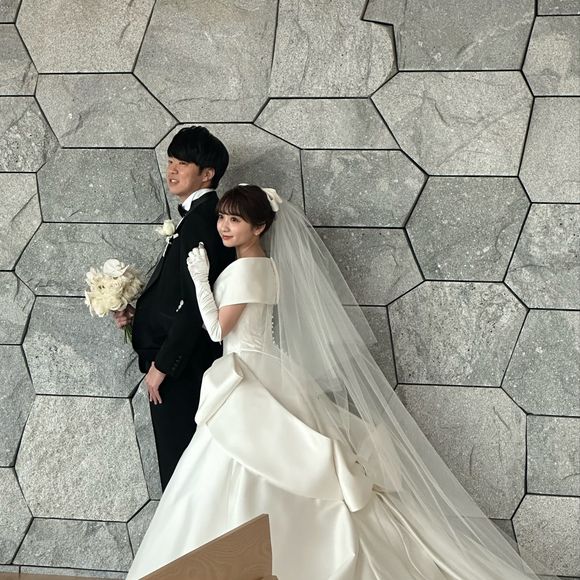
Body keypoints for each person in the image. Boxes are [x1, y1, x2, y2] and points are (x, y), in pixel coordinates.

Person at [126, 185, 540, 579]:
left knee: (242, 459)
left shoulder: (245, 271)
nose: (223, 226)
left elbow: (217, 331)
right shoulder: (265, 267)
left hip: (247, 374)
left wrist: (199, 278)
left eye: (235, 220)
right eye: (221, 217)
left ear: (260, 226)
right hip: (262, 369)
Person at [113, 126, 235, 489]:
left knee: (182, 475)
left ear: (207, 173)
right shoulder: (194, 218)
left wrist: (163, 366)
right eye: (170, 161)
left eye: (182, 163)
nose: (172, 170)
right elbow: (178, 297)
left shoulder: (203, 221)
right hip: (175, 367)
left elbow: (197, 305)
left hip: (182, 371)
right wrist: (137, 317)